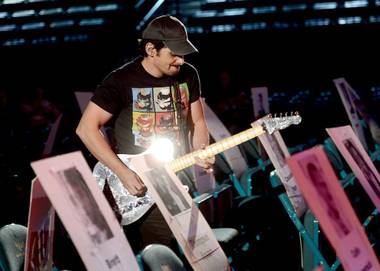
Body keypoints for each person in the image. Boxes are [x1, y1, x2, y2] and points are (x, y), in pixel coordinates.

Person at [76, 14, 214, 253]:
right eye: (174, 54)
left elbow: (198, 122)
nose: (180, 61)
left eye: (183, 54)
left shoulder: (189, 75)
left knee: (186, 249)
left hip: (174, 177)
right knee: (170, 250)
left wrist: (201, 151)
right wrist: (123, 172)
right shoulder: (121, 80)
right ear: (151, 49)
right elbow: (86, 129)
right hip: (139, 184)